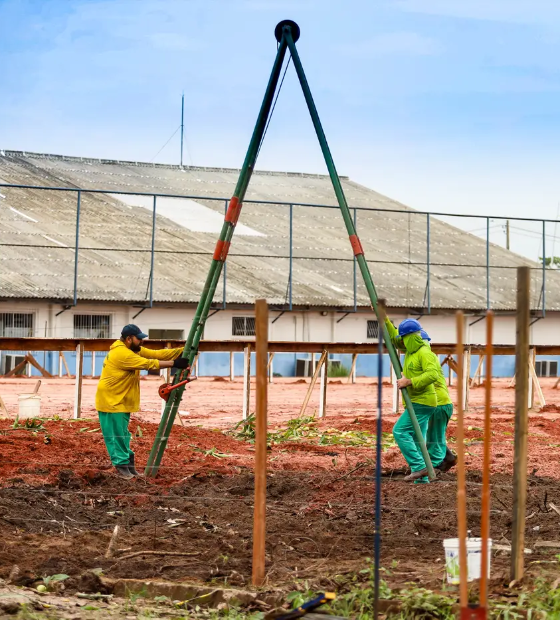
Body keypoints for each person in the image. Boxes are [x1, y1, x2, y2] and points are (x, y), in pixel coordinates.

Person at [95, 324, 188, 479]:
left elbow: (155, 354)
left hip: (121, 399)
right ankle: (121, 467)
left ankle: (128, 465)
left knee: (123, 435)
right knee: (116, 436)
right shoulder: (121, 353)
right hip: (111, 401)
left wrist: (182, 351)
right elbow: (148, 364)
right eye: (139, 339)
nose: (142, 341)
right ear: (129, 339)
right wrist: (174, 364)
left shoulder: (133, 349)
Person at [385, 318, 439, 482]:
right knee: (418, 440)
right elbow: (394, 338)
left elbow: (433, 375)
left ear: (410, 337)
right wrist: (384, 319)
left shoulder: (424, 353)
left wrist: (409, 382)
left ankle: (418, 467)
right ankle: (422, 479)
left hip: (422, 402)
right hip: (417, 401)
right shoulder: (410, 350)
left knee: (400, 431)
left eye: (404, 338)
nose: (401, 341)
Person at [420, 329, 457, 473]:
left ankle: (434, 469)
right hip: (442, 404)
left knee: (432, 438)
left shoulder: (425, 358)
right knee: (435, 434)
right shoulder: (429, 356)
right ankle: (448, 457)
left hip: (437, 404)